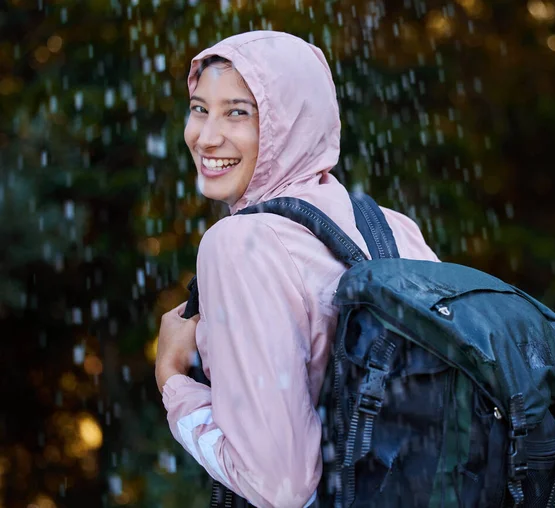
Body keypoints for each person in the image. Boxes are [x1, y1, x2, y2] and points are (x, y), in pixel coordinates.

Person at [155, 31, 439, 508]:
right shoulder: (390, 227)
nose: (204, 136)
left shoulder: (238, 242)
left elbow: (282, 488)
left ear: (291, 123)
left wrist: (172, 379)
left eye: (238, 112)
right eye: (200, 108)